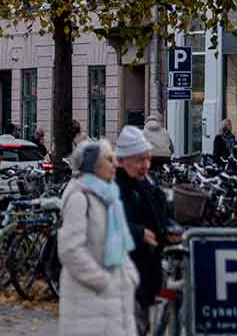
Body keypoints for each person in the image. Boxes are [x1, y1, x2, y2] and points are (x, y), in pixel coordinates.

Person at [58, 138, 138, 336]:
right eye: (109, 159)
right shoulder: (79, 197)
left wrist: (128, 277)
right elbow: (70, 250)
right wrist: (103, 281)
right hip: (89, 304)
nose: (115, 164)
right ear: (93, 165)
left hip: (113, 303)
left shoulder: (108, 196)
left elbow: (120, 246)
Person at [114, 126, 172, 335]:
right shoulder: (117, 188)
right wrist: (139, 233)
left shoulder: (144, 183)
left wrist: (169, 229)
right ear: (122, 160)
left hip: (145, 272)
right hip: (125, 275)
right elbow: (108, 228)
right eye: (139, 160)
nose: (145, 165)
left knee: (142, 325)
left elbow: (160, 215)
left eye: (147, 159)